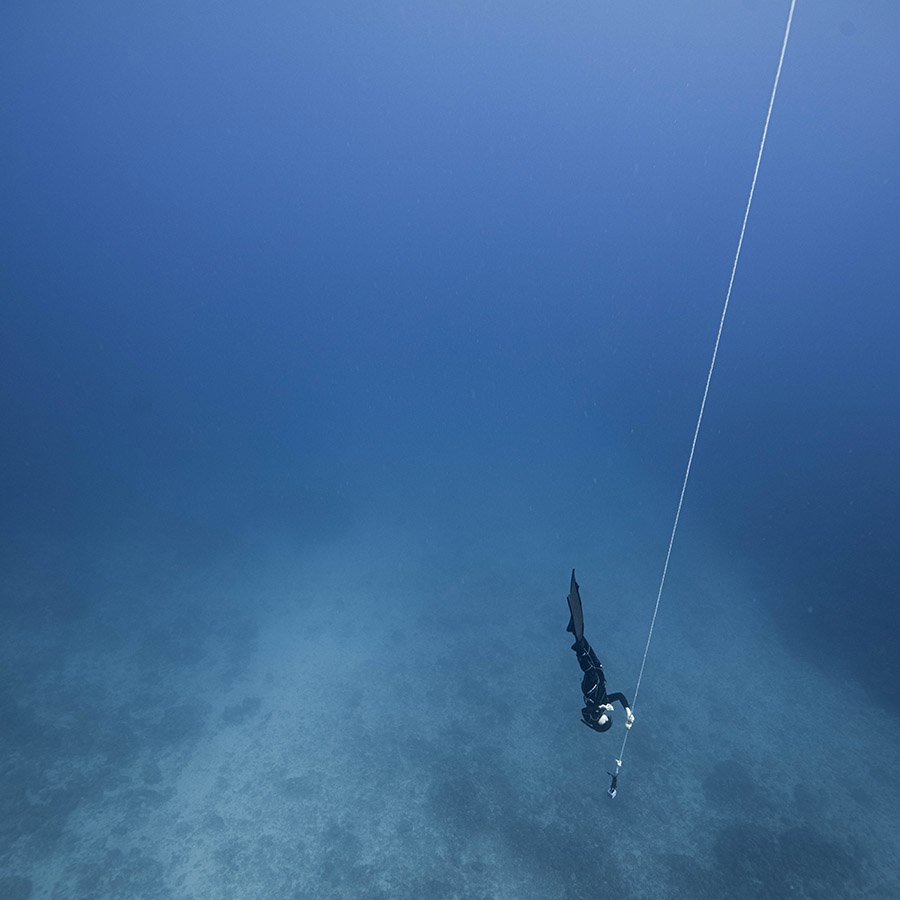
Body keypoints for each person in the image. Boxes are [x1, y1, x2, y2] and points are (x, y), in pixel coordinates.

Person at [566, 569, 634, 733]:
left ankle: (579, 648)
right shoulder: (604, 707)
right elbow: (619, 695)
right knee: (594, 661)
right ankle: (578, 637)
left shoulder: (592, 714)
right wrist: (628, 712)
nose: (606, 716)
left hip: (590, 686)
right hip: (599, 676)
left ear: (600, 723)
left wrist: (601, 706)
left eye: (605, 720)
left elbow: (585, 710)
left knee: (590, 671)